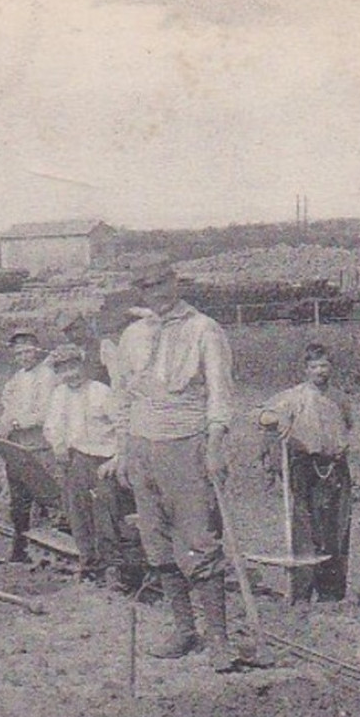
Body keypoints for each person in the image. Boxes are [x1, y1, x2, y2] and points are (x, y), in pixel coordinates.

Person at [108, 258, 253, 672]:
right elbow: (123, 396)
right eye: (147, 286)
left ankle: (219, 640)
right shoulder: (133, 335)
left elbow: (220, 394)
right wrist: (122, 449)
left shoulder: (204, 329)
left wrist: (215, 445)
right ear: (140, 291)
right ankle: (183, 630)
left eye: (162, 282)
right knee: (156, 542)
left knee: (200, 542)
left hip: (186, 445)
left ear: (175, 282)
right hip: (141, 447)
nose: (156, 291)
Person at [257, 343, 354, 604]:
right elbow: (263, 415)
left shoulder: (340, 398)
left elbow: (348, 425)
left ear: (331, 367)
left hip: (335, 467)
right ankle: (301, 593)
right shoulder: (293, 397)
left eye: (324, 365)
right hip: (304, 466)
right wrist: (277, 420)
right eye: (314, 366)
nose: (320, 371)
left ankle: (331, 593)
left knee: (335, 528)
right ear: (305, 370)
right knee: (304, 528)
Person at [42, 344, 122, 583]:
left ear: (83, 365)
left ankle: (112, 568)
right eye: (63, 369)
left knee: (105, 514)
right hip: (74, 459)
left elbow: (122, 427)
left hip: (102, 461)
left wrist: (117, 459)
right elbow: (51, 426)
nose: (70, 374)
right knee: (76, 512)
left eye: (73, 366)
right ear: (58, 373)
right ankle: (89, 564)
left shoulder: (101, 392)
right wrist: (58, 445)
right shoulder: (58, 395)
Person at [0, 329, 58, 562]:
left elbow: (45, 412)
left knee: (45, 496)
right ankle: (19, 546)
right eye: (18, 353)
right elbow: (7, 408)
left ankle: (48, 545)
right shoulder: (15, 380)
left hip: (40, 446)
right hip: (17, 448)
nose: (23, 357)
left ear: (36, 351)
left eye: (27, 352)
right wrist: (4, 426)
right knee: (19, 500)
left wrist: (18, 422)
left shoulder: (48, 376)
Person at [54, 308, 113, 386]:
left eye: (77, 328)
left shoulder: (103, 346)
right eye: (67, 332)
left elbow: (117, 377)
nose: (74, 334)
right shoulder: (66, 353)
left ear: (85, 324)